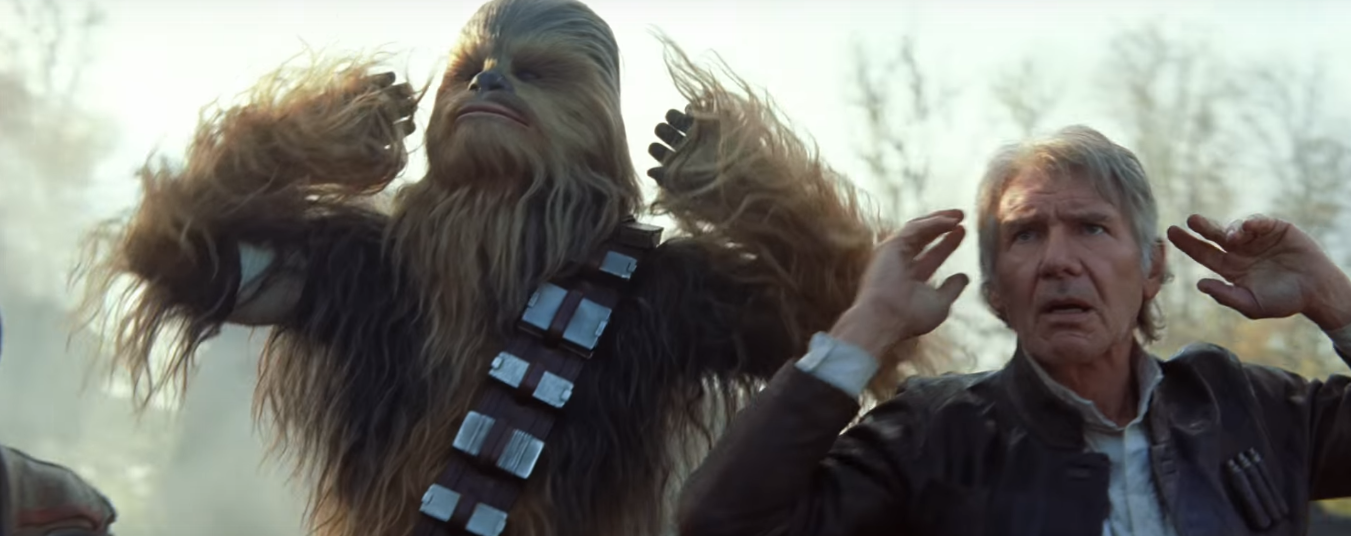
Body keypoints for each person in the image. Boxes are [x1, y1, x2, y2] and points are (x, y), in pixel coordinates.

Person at [676, 125, 1351, 536]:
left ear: (1151, 267)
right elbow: (725, 523)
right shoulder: (932, 434)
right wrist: (868, 323)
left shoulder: (1241, 406)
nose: (1058, 260)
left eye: (1091, 227)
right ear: (997, 290)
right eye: (1026, 234)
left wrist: (1333, 299)